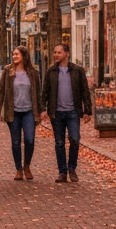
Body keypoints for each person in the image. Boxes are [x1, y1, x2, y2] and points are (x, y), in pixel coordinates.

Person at [41, 42, 92, 183]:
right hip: (56, 113)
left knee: (75, 139)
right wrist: (42, 109)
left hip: (73, 112)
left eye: (59, 52)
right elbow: (45, 92)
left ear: (67, 54)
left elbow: (85, 91)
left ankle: (72, 168)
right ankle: (62, 172)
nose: (56, 55)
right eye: (55, 52)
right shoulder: (51, 71)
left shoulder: (77, 70)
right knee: (59, 142)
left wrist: (88, 110)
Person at [0, 46, 42, 181]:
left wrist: (41, 110)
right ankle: (18, 169)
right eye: (13, 54)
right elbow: (1, 91)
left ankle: (27, 165)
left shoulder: (33, 72)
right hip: (13, 112)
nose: (14, 56)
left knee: (29, 140)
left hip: (29, 112)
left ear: (24, 55)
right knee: (15, 142)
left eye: (17, 54)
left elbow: (38, 93)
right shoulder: (8, 71)